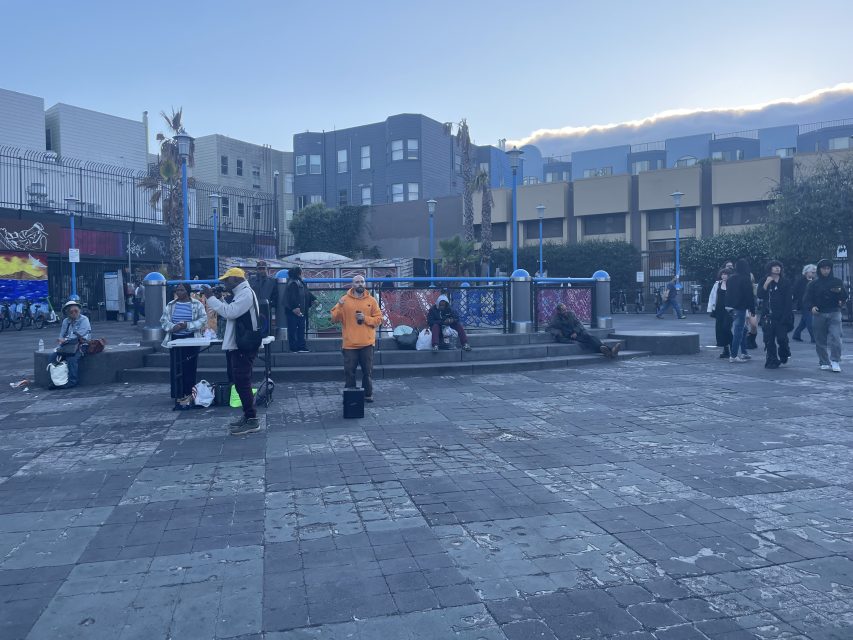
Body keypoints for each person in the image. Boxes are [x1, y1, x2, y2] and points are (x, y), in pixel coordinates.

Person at [203, 268, 262, 435]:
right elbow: (232, 310)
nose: (224, 283)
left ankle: (251, 419)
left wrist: (210, 298)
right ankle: (249, 417)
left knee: (242, 381)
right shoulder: (242, 293)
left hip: (244, 344)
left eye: (226, 281)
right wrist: (219, 298)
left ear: (236, 279)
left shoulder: (245, 294)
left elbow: (230, 312)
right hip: (242, 343)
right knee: (241, 380)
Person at [330, 274, 382, 402]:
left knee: (367, 372)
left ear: (364, 284)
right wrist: (340, 306)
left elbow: (379, 319)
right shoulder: (344, 300)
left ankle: (367, 395)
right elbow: (334, 319)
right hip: (350, 344)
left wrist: (365, 319)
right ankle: (350, 395)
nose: (360, 284)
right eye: (357, 282)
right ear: (352, 285)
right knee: (349, 372)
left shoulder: (372, 300)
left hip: (367, 343)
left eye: (362, 282)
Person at [160, 283, 208, 402]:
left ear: (187, 291)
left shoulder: (197, 304)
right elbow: (164, 320)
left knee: (190, 367)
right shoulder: (171, 305)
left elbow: (203, 319)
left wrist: (188, 325)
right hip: (175, 339)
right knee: (175, 367)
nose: (178, 292)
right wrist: (173, 327)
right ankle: (177, 393)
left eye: (181, 290)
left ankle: (189, 393)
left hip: (191, 338)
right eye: (177, 290)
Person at [803, 258, 848, 372]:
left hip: (834, 312)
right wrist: (812, 307)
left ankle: (835, 360)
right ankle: (824, 361)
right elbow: (807, 299)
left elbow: (844, 295)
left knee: (836, 337)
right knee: (820, 339)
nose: (826, 271)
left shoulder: (837, 281)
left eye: (828, 268)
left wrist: (841, 302)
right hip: (819, 313)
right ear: (819, 269)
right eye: (824, 268)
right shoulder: (813, 284)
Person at [548, 303, 620, 359]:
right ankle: (610, 350)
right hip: (570, 336)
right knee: (589, 341)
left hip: (578, 332)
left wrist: (576, 332)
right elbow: (549, 328)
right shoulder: (556, 319)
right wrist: (557, 332)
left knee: (590, 337)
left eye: (565, 309)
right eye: (563, 310)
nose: (565, 311)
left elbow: (579, 323)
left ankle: (609, 351)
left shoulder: (571, 314)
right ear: (558, 311)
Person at [756, 260, 793, 369]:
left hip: (781, 315)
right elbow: (760, 295)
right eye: (774, 267)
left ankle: (784, 352)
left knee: (782, 338)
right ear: (770, 269)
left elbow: (788, 300)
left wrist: (786, 315)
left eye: (779, 267)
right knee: (769, 339)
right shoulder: (764, 280)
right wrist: (766, 284)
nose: (777, 268)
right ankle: (772, 360)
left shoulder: (785, 282)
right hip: (768, 315)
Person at [53, 300, 91, 388]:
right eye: (71, 311)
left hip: (81, 345)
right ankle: (57, 381)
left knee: (72, 359)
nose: (74, 313)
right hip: (67, 345)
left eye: (76, 311)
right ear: (67, 313)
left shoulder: (84, 319)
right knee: (53, 357)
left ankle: (72, 381)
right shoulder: (66, 321)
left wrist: (64, 340)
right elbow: (61, 335)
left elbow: (79, 335)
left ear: (79, 311)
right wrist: (59, 346)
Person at [726, 258, 755, 363]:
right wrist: (752, 308)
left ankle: (744, 352)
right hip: (740, 307)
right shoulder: (745, 278)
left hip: (729, 307)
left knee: (743, 329)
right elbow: (749, 295)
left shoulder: (731, 278)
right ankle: (733, 355)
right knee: (738, 331)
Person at [284, 266, 314, 353]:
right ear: (299, 273)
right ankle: (295, 347)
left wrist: (313, 299)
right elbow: (292, 297)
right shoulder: (294, 283)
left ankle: (300, 346)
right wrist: (295, 307)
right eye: (302, 272)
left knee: (299, 328)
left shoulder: (297, 282)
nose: (303, 274)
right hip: (295, 310)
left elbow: (306, 293)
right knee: (294, 329)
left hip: (299, 310)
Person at [707, 268, 733, 359]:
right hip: (719, 310)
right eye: (722, 274)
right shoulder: (717, 284)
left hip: (729, 310)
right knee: (720, 329)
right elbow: (712, 296)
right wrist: (710, 308)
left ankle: (733, 346)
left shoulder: (732, 285)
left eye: (726, 274)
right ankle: (726, 350)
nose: (724, 276)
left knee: (726, 328)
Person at [792, 264, 817, 343]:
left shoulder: (814, 280)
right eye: (812, 272)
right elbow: (795, 292)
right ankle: (814, 338)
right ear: (806, 272)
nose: (814, 274)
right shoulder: (800, 281)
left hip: (812, 303)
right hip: (804, 303)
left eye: (814, 272)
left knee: (804, 321)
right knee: (809, 320)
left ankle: (796, 334)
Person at [251, 260, 278, 328]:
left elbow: (275, 295)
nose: (262, 271)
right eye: (260, 269)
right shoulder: (251, 280)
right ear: (257, 270)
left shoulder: (272, 281)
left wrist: (271, 304)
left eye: (263, 269)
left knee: (266, 328)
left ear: (267, 269)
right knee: (254, 327)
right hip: (254, 308)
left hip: (267, 309)